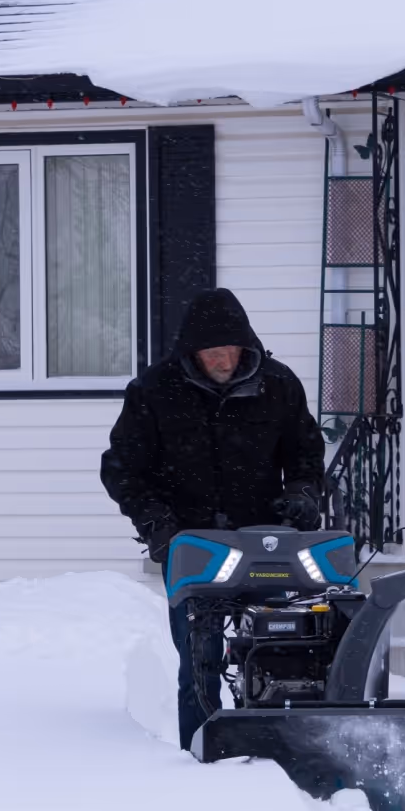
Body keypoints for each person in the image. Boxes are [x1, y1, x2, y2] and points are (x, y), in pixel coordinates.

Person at [100, 287, 325, 747]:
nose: (224, 361)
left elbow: (305, 455)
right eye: (212, 353)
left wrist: (302, 496)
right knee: (199, 661)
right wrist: (156, 525)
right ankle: (202, 753)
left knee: (274, 650)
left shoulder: (278, 385)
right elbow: (122, 470)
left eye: (231, 350)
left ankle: (270, 751)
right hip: (191, 546)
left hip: (265, 543)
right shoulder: (154, 391)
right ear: (191, 351)